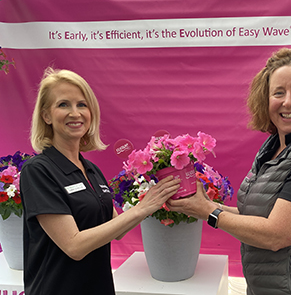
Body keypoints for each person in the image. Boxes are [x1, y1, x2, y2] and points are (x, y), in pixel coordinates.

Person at [168, 48, 291, 295]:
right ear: (265, 99)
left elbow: (277, 234)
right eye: (278, 93)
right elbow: (263, 215)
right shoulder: (274, 148)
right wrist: (205, 205)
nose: (287, 101)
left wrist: (210, 213)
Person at [20, 68, 181, 295]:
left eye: (82, 105)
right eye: (63, 104)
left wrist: (155, 200)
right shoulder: (38, 170)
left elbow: (117, 230)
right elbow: (74, 246)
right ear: (46, 116)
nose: (75, 113)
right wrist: (142, 208)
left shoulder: (91, 170)